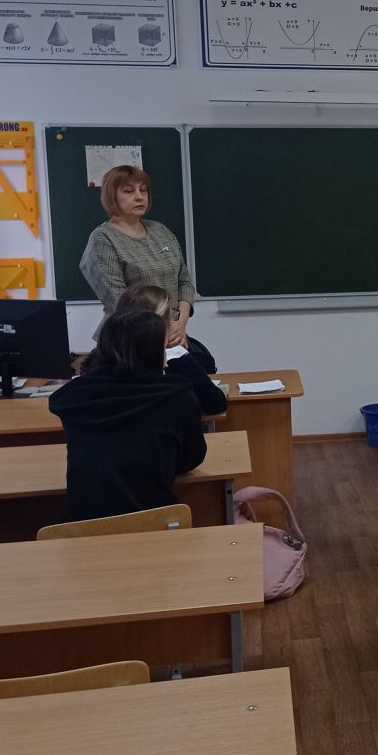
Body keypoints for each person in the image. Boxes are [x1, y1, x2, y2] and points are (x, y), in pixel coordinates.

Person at [49, 307, 207, 522]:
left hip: (81, 527)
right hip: (155, 523)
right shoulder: (177, 396)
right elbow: (190, 458)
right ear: (152, 354)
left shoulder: (75, 396)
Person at [79, 165, 196, 348]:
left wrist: (179, 324)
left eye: (143, 190)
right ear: (111, 197)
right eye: (129, 191)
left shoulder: (161, 231)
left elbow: (185, 282)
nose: (139, 196)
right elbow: (119, 300)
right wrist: (163, 328)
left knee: (202, 363)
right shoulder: (102, 239)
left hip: (173, 336)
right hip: (129, 341)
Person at [113, 283, 227, 416]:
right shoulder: (177, 360)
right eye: (173, 316)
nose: (176, 322)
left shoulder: (105, 363)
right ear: (160, 325)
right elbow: (216, 403)